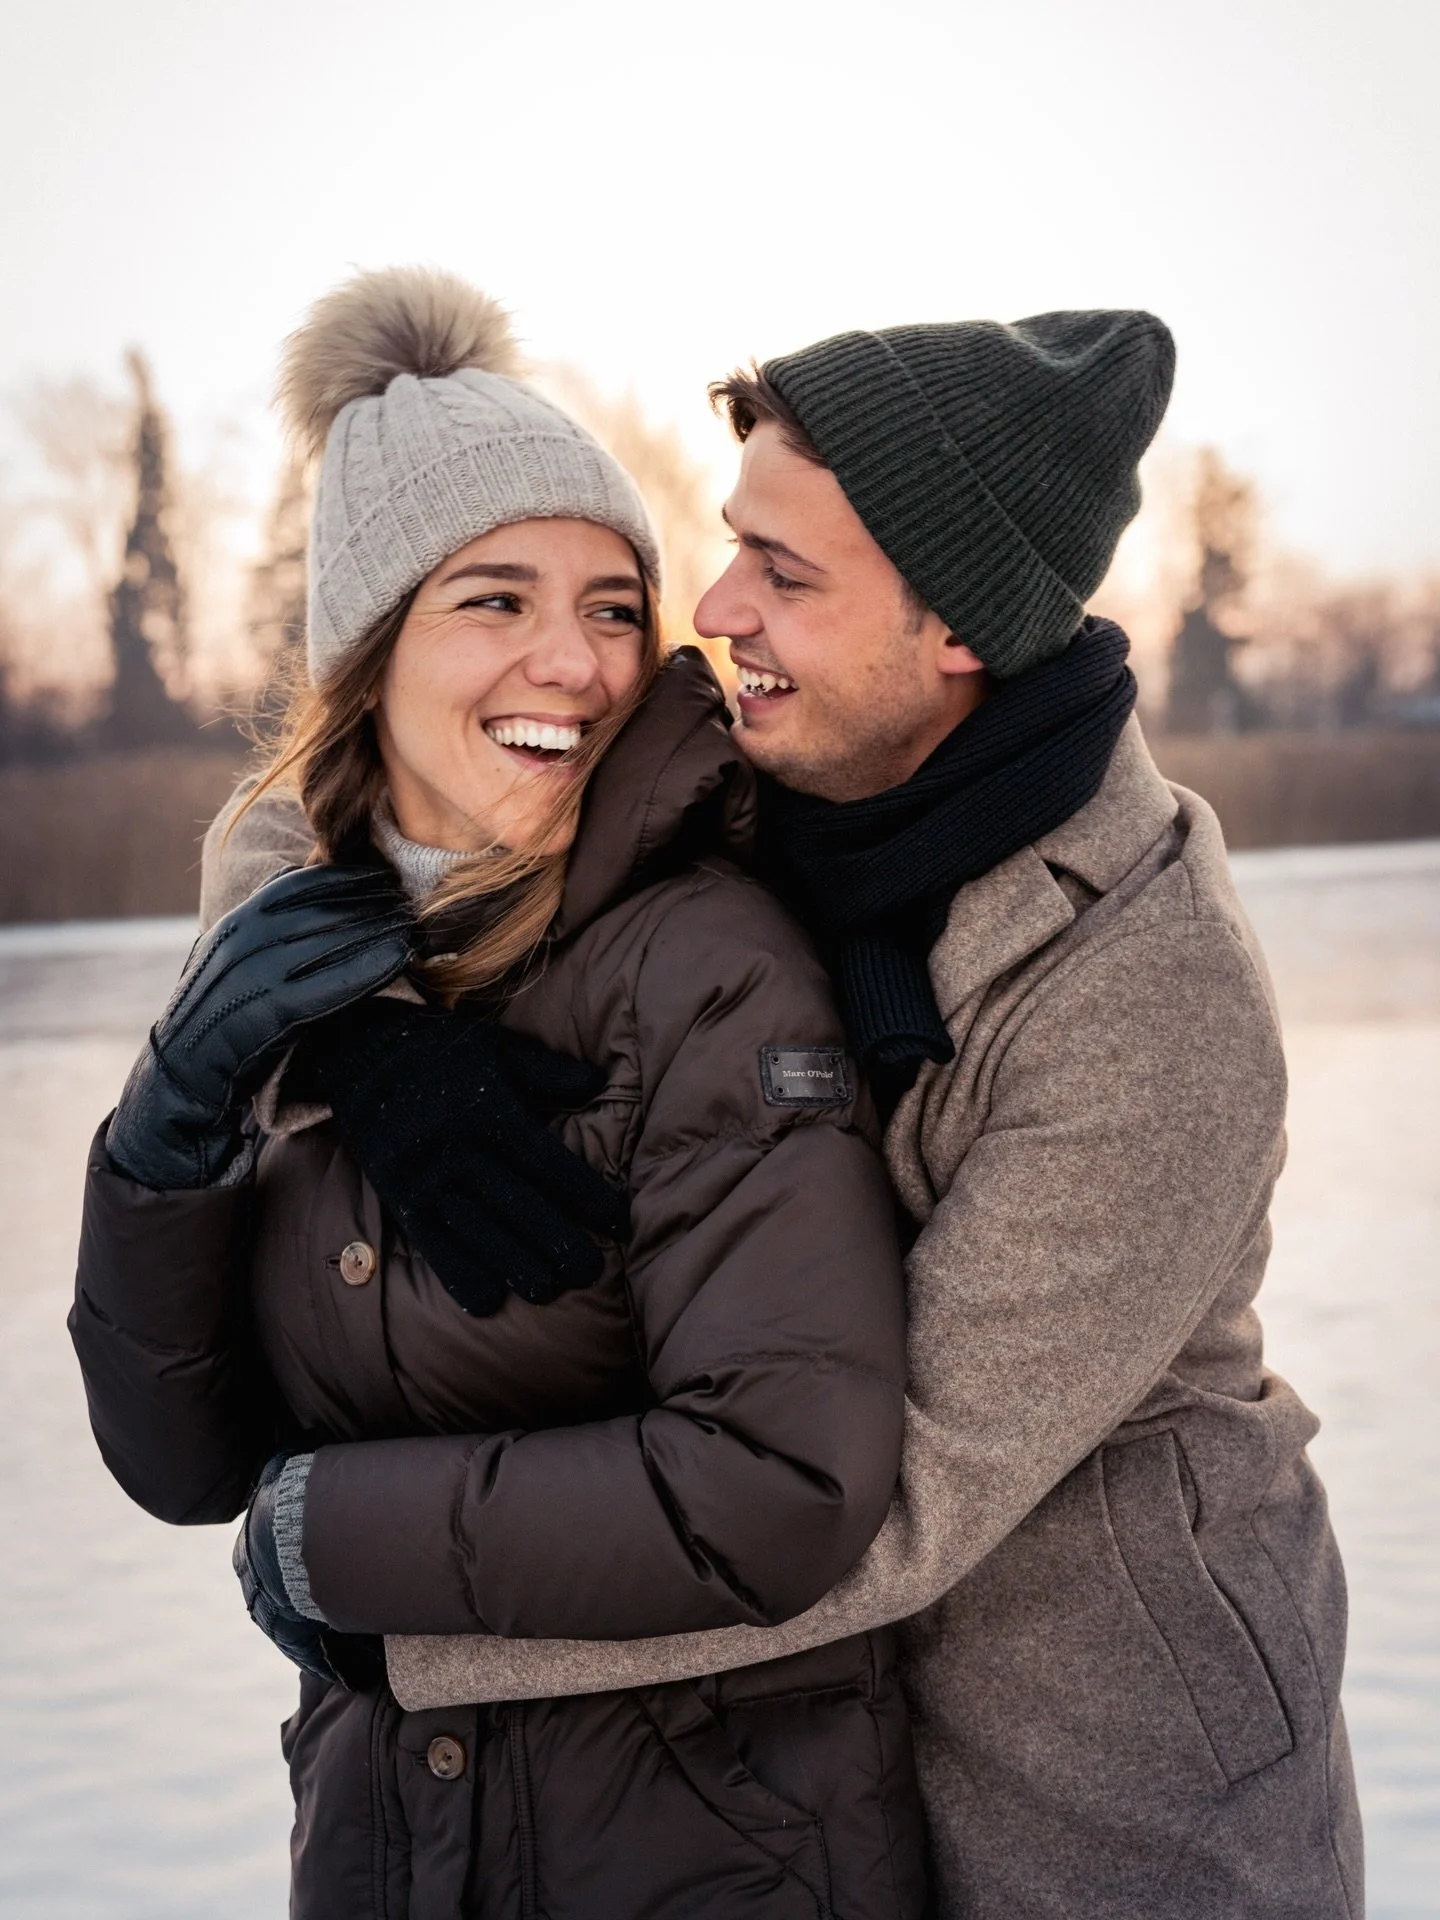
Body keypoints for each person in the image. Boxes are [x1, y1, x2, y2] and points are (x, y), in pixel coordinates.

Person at [344, 312, 1362, 1919]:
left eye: (784, 576)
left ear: (955, 625)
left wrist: (397, 1626)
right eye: (735, 543)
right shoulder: (765, 768)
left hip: (1110, 1802)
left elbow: (892, 1497)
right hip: (798, 1784)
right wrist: (361, 1041)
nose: (717, 607)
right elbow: (329, 804)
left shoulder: (1149, 995)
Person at [69, 268, 929, 1920]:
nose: (583, 663)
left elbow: (783, 1479)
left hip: (708, 1854)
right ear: (373, 648)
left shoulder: (706, 960)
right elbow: (183, 1462)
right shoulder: (292, 979)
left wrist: (333, 1536)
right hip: (391, 1849)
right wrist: (167, 1136)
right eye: (497, 600)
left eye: (616, 605)